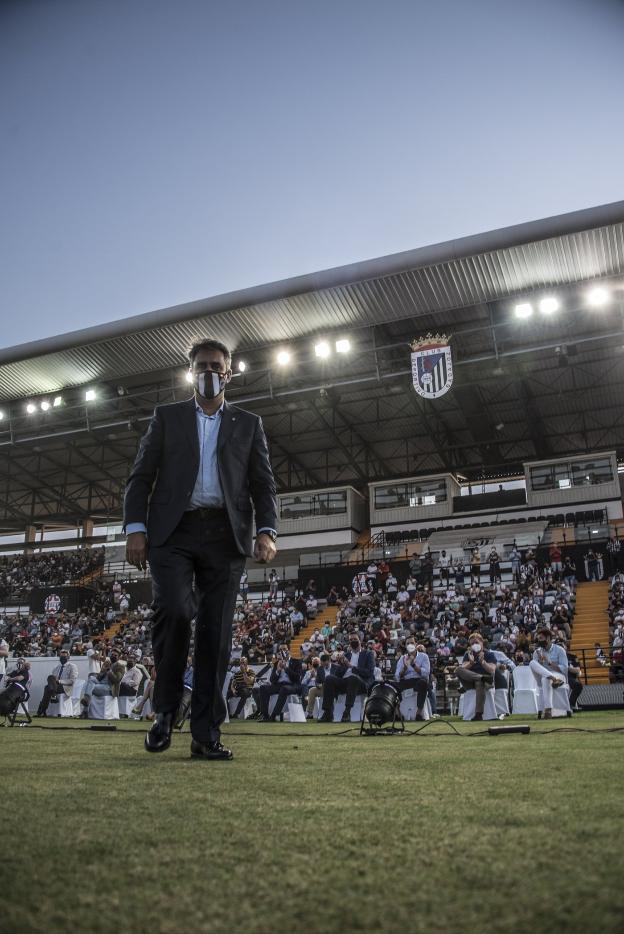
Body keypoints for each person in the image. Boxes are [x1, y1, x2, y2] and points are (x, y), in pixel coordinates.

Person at [124, 338, 277, 761]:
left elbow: (263, 483)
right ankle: (165, 711)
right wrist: (135, 528)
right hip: (173, 533)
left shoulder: (248, 423)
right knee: (173, 611)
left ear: (229, 373)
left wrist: (267, 531)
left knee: (216, 634)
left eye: (217, 366)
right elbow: (140, 477)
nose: (210, 372)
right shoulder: (167, 417)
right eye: (202, 365)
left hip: (225, 537)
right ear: (191, 371)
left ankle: (205, 734)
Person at [319, 636, 375, 723]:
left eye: (355, 639)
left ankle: (347, 712)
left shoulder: (368, 654)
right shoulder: (346, 655)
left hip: (361, 683)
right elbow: (338, 674)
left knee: (353, 678)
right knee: (329, 678)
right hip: (345, 682)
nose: (353, 641)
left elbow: (369, 672)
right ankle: (328, 712)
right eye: (351, 640)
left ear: (360, 641)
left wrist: (351, 666)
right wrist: (340, 664)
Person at [454, 633, 497, 721]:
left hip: (486, 682)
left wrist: (483, 662)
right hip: (470, 681)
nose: (474, 645)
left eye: (476, 642)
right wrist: (471, 663)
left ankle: (478, 714)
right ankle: (480, 677)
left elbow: (492, 670)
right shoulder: (468, 654)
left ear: (482, 642)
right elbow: (463, 669)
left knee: (479, 682)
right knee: (458, 670)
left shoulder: (489, 654)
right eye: (472, 644)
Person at [253, 647, 302, 721]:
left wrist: (286, 668)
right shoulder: (276, 663)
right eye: (281, 650)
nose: (283, 652)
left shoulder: (296, 662)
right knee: (263, 688)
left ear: (289, 651)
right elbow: (272, 680)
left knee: (284, 689)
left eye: (285, 649)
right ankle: (265, 715)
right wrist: (278, 671)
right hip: (279, 685)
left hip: (292, 685)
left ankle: (274, 715)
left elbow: (297, 677)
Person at [529, 628, 568, 719]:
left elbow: (564, 669)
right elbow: (535, 668)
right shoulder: (537, 652)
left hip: (558, 675)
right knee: (532, 663)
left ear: (548, 638)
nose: (539, 641)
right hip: (544, 676)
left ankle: (548, 710)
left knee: (545, 679)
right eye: (538, 639)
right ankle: (553, 678)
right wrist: (540, 662)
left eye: (541, 638)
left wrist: (549, 662)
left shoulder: (559, 650)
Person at [391, 641, 430, 720]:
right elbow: (397, 675)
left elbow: (426, 673)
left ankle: (419, 713)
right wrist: (404, 669)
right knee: (392, 685)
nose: (410, 645)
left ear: (416, 645)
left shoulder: (424, 656)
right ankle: (397, 713)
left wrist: (413, 665)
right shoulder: (402, 658)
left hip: (418, 680)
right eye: (408, 644)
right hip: (406, 680)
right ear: (405, 646)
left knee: (423, 683)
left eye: (412, 643)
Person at [36, 649, 78, 716]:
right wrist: (55, 680)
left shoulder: (72, 666)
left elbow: (72, 681)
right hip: (56, 687)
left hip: (65, 687)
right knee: (50, 680)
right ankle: (53, 695)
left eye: (64, 657)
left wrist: (59, 681)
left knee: (47, 688)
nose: (62, 658)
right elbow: (52, 680)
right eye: (61, 657)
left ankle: (42, 710)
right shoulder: (56, 667)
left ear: (68, 658)